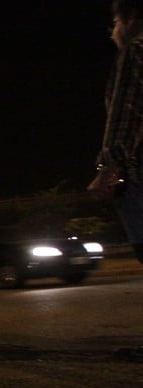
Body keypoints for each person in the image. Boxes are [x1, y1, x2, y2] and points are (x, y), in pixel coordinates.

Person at [88, 0, 143, 361]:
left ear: (130, 20)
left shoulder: (135, 53)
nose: (112, 32)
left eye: (114, 22)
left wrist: (106, 170)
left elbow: (124, 117)